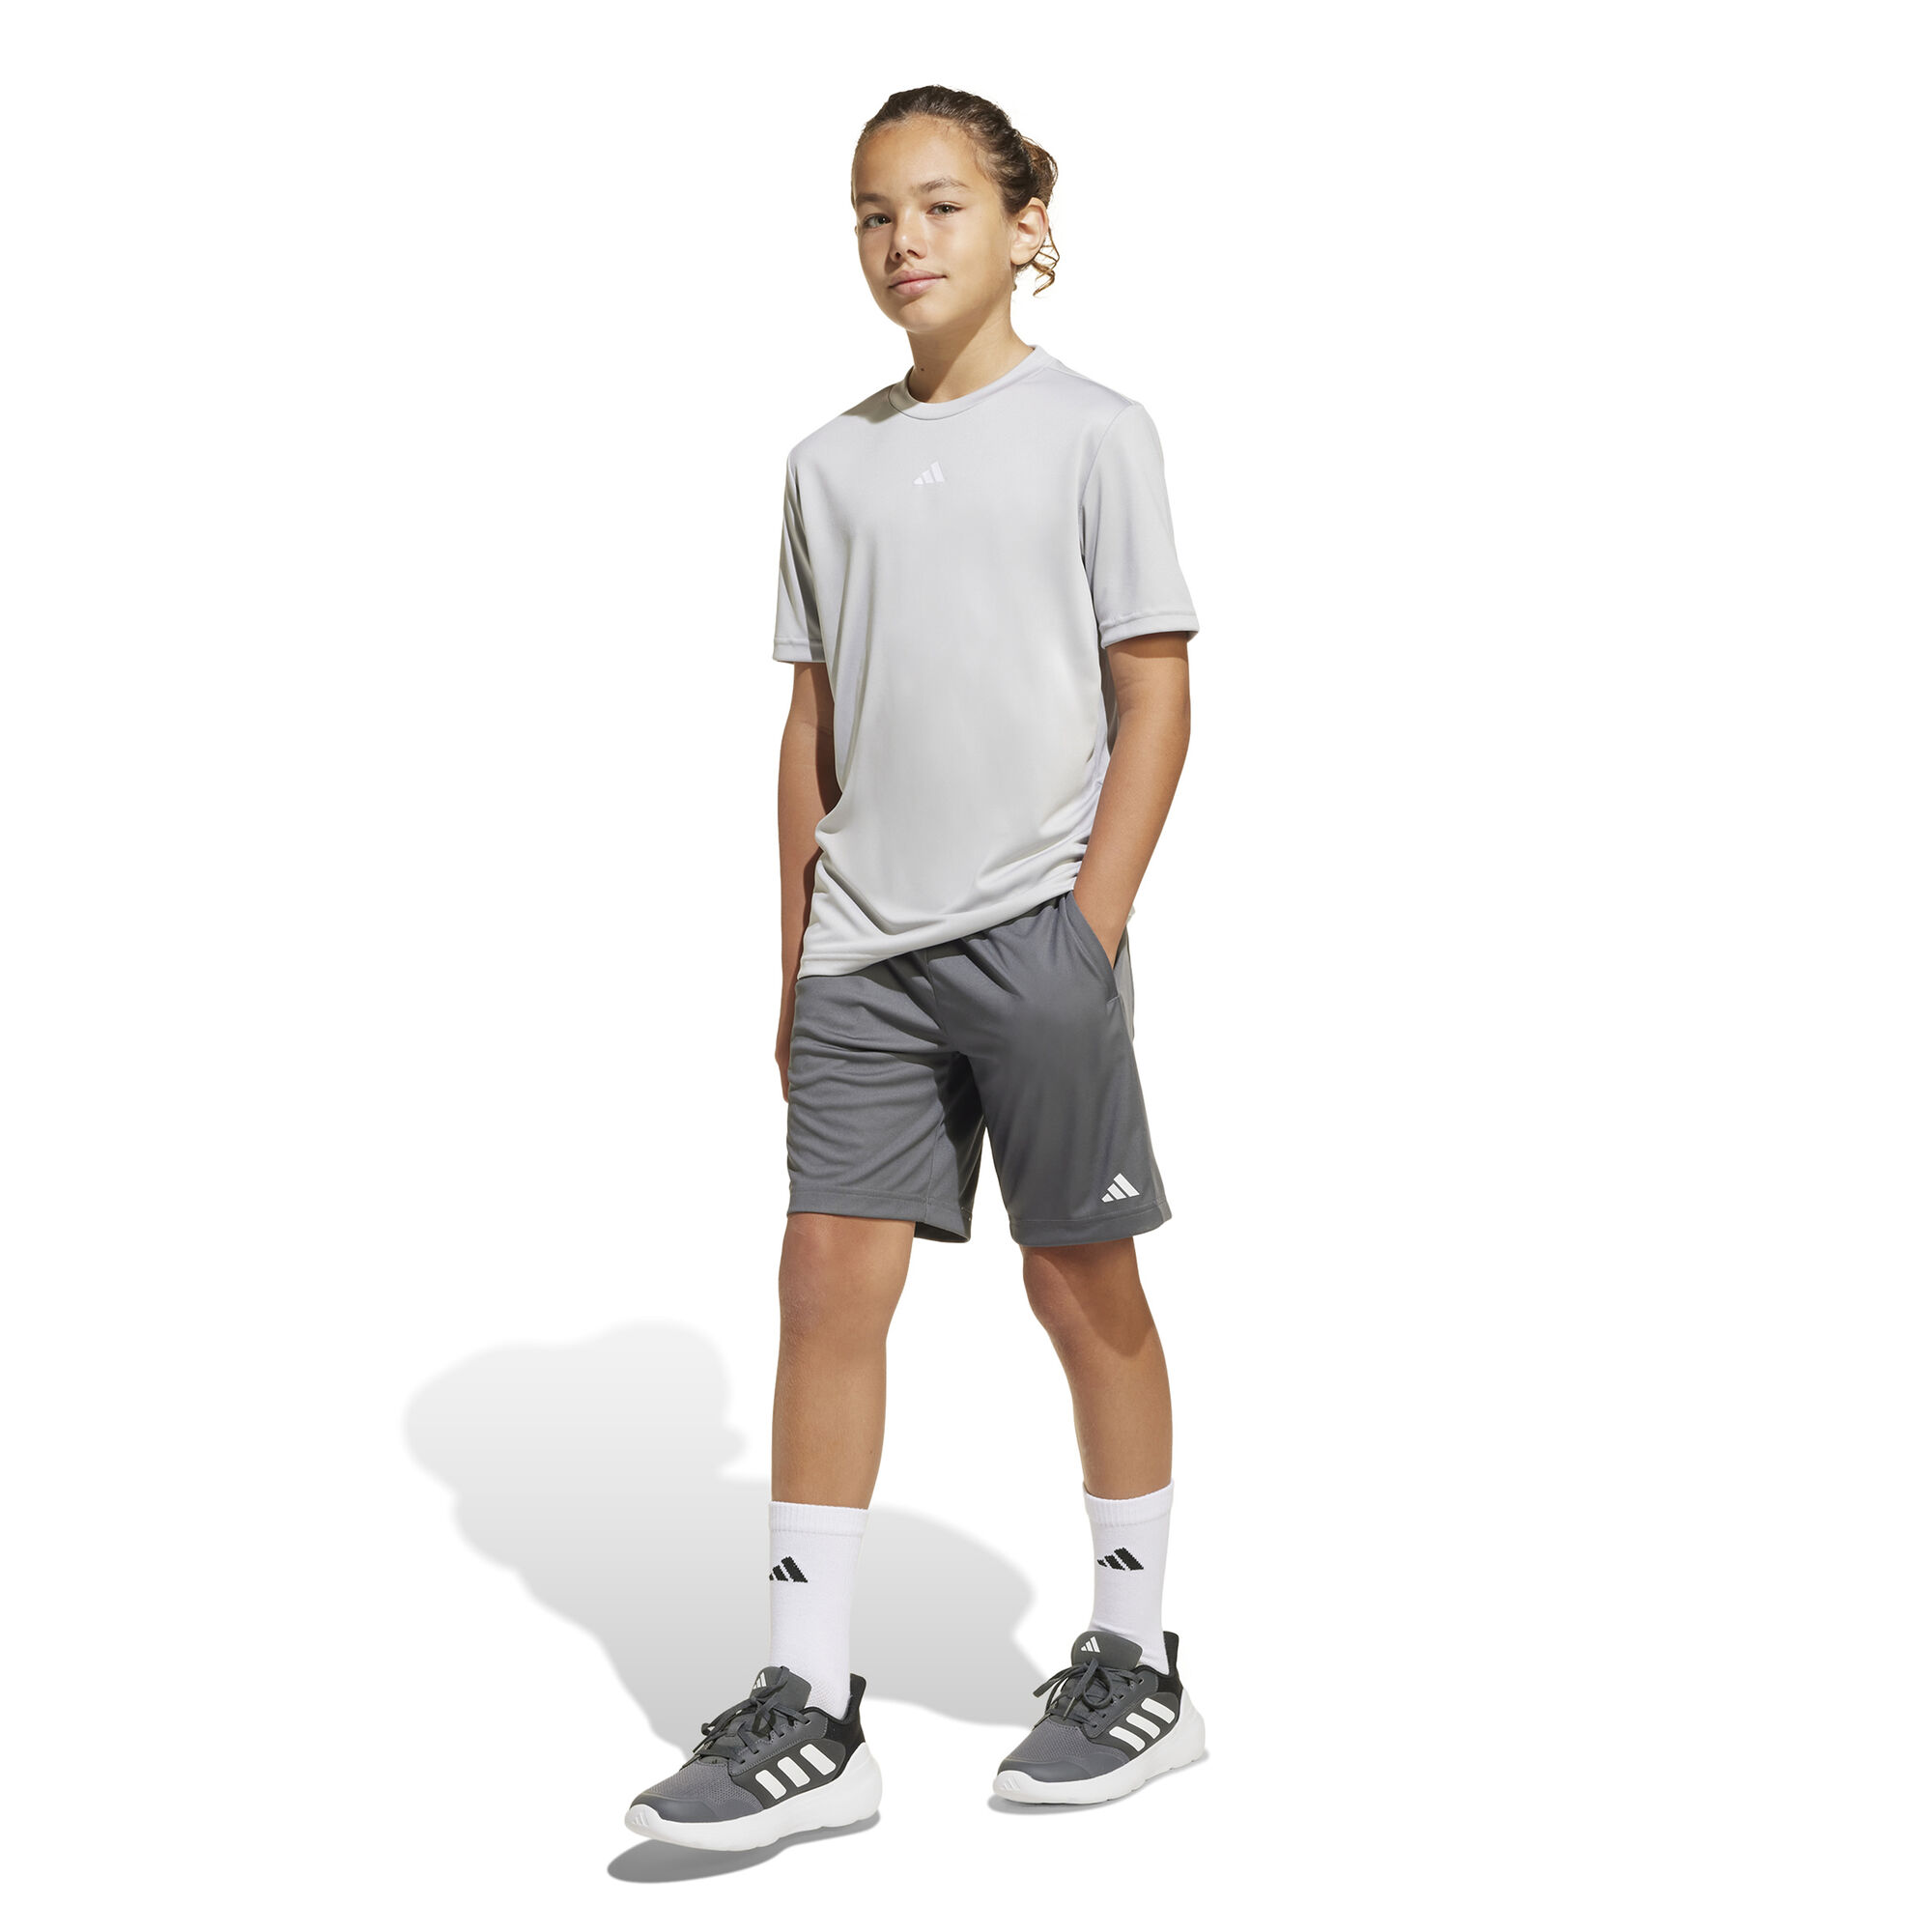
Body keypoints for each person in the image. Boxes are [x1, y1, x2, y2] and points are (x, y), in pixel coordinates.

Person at [625, 84, 1206, 1853]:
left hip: (1037, 937)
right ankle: (809, 1703)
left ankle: (1136, 1660)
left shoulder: (1097, 433)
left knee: (1080, 1286)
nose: (906, 241)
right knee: (823, 1286)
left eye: (944, 206)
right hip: (860, 954)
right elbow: (809, 732)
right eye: (876, 213)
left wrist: (1087, 933)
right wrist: (795, 957)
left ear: (1027, 223)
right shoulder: (828, 464)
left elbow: (1156, 693)